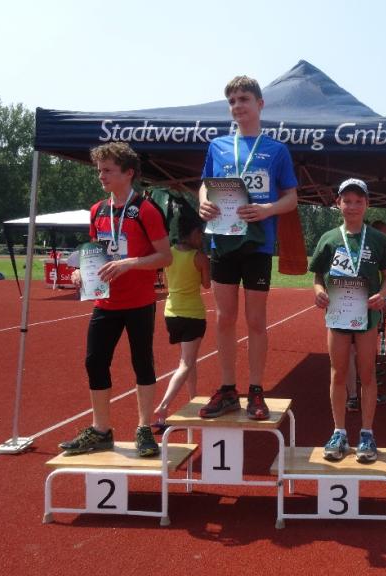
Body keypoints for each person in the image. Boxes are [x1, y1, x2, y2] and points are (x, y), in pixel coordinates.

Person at [60, 142, 172, 457]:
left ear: (128, 173)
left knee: (142, 362)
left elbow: (166, 257)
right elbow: (95, 253)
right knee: (94, 362)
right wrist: (81, 271)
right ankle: (101, 430)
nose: (101, 176)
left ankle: (144, 428)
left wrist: (130, 263)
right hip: (105, 302)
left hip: (138, 301)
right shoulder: (97, 210)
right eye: (99, 170)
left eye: (108, 170)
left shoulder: (146, 210)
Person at [197, 75, 298, 420]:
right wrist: (203, 202)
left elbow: (291, 197)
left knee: (256, 320)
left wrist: (268, 209)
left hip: (257, 243)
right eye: (232, 101)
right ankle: (228, 389)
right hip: (223, 240)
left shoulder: (277, 150)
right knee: (224, 318)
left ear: (260, 104)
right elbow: (205, 185)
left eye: (244, 99)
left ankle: (256, 390)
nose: (237, 105)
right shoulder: (218, 146)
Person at [310, 179, 386, 463]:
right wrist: (319, 291)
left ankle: (367, 433)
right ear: (338, 203)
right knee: (338, 373)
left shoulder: (378, 239)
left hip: (367, 316)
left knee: (367, 374)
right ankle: (339, 432)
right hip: (337, 316)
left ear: (367, 204)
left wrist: (383, 295)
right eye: (347, 200)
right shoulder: (329, 238)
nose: (353, 206)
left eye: (359, 201)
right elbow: (318, 276)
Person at [152, 208, 211, 432]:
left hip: (171, 313)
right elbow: (206, 284)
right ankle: (163, 406)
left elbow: (168, 284)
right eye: (201, 233)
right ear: (193, 233)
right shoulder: (199, 257)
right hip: (193, 314)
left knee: (189, 360)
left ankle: (193, 398)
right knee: (186, 363)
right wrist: (204, 262)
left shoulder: (168, 254)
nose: (202, 237)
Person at [345, 219, 386, 412]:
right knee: (354, 353)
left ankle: (359, 396)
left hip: (368, 307)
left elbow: (385, 277)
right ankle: (354, 397)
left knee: (359, 353)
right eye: (384, 233)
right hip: (350, 306)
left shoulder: (377, 245)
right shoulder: (365, 244)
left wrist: (382, 296)